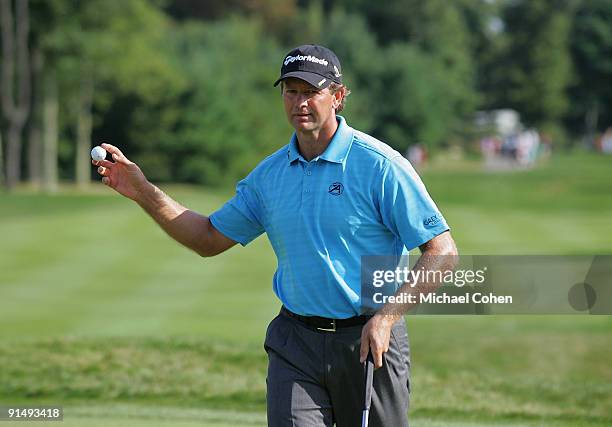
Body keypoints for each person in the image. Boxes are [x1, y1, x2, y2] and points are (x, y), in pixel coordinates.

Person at [93, 44, 457, 427]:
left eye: (310, 91)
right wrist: (143, 191)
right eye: (291, 91)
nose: (299, 102)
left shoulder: (380, 166)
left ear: (337, 96)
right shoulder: (269, 177)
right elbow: (207, 238)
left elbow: (442, 251)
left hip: (368, 340)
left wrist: (386, 318)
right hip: (295, 342)